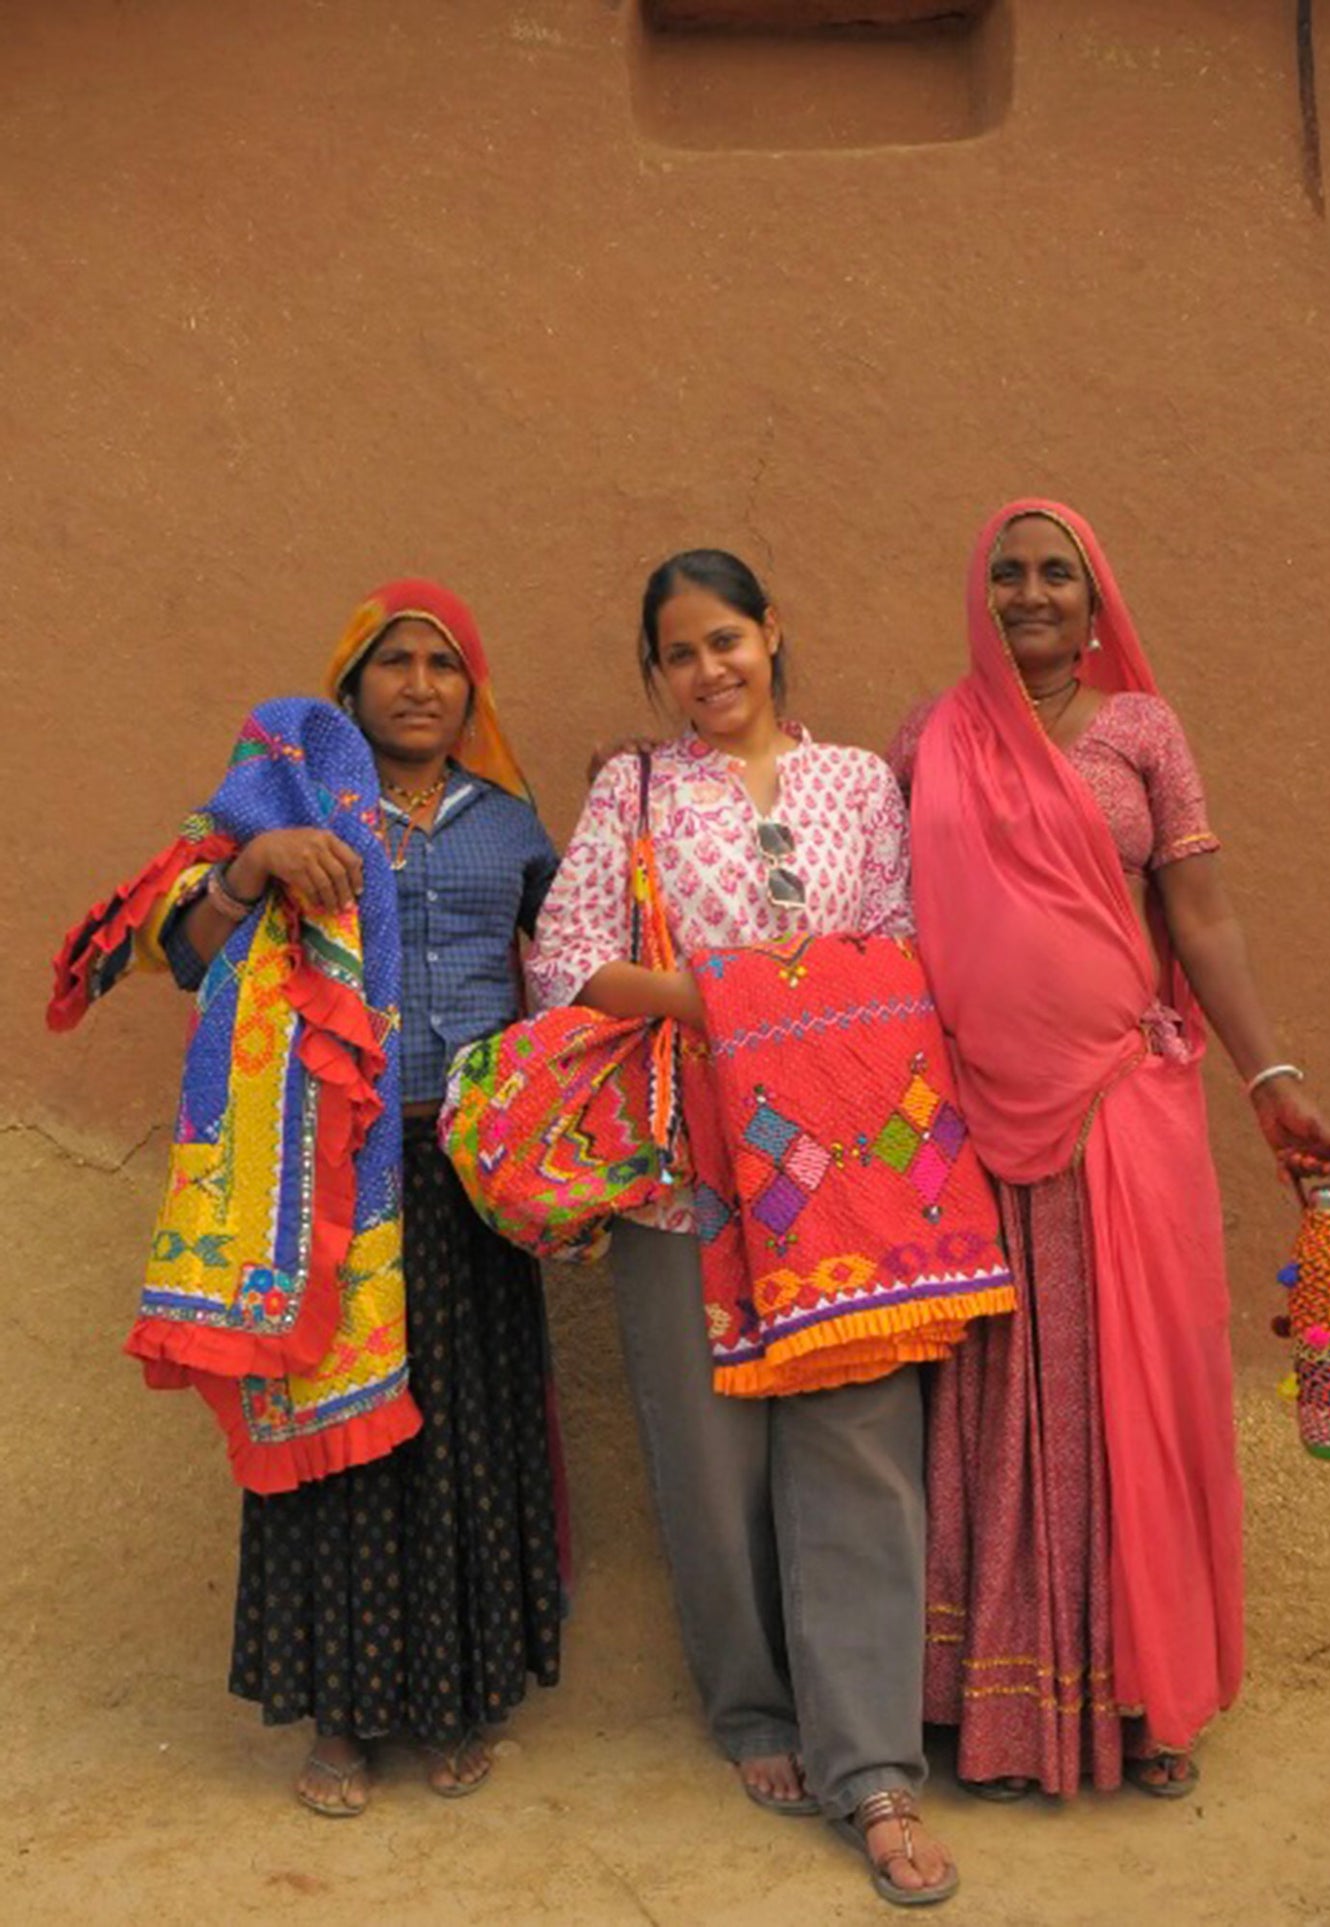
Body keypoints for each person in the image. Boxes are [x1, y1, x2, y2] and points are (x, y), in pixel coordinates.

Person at [50, 580, 564, 1816]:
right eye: (394, 660)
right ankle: (339, 1715)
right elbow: (180, 955)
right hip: (327, 1182)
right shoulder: (284, 809)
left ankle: (455, 1695)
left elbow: (554, 973)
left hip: (470, 1180)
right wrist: (251, 868)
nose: (421, 684)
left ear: (470, 690)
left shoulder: (516, 826)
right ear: (351, 682)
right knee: (334, 1436)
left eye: (445, 663)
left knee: (465, 1439)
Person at [896, 500, 1330, 1801]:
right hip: (974, 1124)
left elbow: (1201, 920)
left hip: (1120, 1107)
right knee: (997, 1407)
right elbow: (851, 890)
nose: (1031, 593)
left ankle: (1150, 1695)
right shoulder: (927, 740)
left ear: (1098, 605)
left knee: (1136, 1393)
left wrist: (1270, 1074)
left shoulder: (1143, 733)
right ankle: (995, 1710)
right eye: (1008, 573)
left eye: (1059, 573)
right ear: (979, 597)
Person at [526, 550, 960, 1905]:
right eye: (679, 655)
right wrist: (726, 1003)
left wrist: (786, 1016)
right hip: (682, 1161)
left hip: (844, 1161)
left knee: (862, 1440)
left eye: (727, 640)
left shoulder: (857, 786)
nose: (709, 671)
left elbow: (900, 938)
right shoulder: (632, 790)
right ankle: (757, 1709)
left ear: (774, 631)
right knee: (709, 1448)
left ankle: (871, 1756)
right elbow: (566, 952)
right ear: (655, 675)